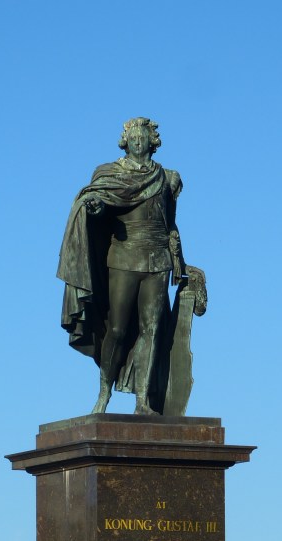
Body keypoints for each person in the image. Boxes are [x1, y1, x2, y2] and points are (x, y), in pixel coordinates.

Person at [57, 116, 186, 415]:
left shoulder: (168, 178)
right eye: (133, 137)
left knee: (152, 329)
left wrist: (180, 259)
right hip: (124, 257)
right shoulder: (109, 173)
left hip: (158, 260)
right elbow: (99, 203)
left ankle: (143, 401)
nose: (138, 141)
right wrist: (96, 207)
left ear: (153, 142)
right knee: (116, 328)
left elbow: (171, 223)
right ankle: (104, 394)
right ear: (125, 141)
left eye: (143, 137)